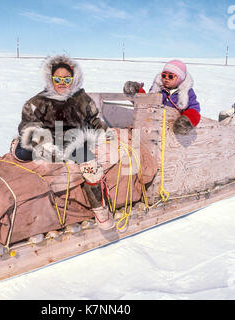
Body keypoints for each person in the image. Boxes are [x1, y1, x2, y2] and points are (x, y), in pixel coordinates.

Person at [12, 54, 115, 230]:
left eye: (66, 79)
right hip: (47, 141)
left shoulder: (82, 99)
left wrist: (104, 132)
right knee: (24, 152)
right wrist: (41, 142)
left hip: (72, 141)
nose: (62, 82)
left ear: (73, 79)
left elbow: (93, 119)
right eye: (57, 78)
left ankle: (99, 208)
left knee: (90, 166)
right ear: (50, 79)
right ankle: (18, 148)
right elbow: (28, 124)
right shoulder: (38, 101)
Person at [123, 59, 201, 135]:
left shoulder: (187, 93)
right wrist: (137, 92)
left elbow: (194, 108)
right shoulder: (158, 88)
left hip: (171, 130)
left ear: (180, 79)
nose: (166, 78)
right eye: (164, 75)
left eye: (171, 76)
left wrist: (187, 121)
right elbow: (147, 102)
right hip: (153, 126)